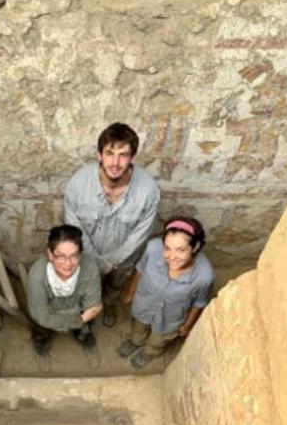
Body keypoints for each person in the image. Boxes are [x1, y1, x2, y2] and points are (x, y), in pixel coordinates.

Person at [64, 122, 160, 328]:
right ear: (99, 155)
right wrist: (96, 261)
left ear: (132, 158)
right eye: (109, 153)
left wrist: (113, 261)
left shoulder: (148, 191)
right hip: (88, 257)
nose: (115, 163)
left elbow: (141, 234)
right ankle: (88, 311)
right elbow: (74, 229)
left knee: (115, 286)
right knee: (87, 285)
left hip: (123, 261)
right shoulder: (77, 184)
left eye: (123, 155)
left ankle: (109, 305)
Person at [118, 217, 215, 369]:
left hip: (170, 319)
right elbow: (140, 270)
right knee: (138, 327)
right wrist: (130, 292)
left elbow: (199, 302)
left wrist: (187, 325)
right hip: (144, 305)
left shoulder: (204, 276)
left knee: (158, 340)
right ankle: (135, 341)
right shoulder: (152, 248)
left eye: (180, 250)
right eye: (167, 248)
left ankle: (148, 352)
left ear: (195, 247)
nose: (171, 256)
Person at [27, 224, 103, 356]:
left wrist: (84, 316)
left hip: (76, 306)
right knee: (40, 325)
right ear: (50, 254)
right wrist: (81, 318)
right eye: (61, 256)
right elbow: (42, 316)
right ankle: (42, 340)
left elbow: (93, 305)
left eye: (74, 256)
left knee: (88, 324)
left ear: (80, 254)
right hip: (50, 311)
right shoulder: (37, 275)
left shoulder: (90, 267)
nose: (68, 264)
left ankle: (82, 335)